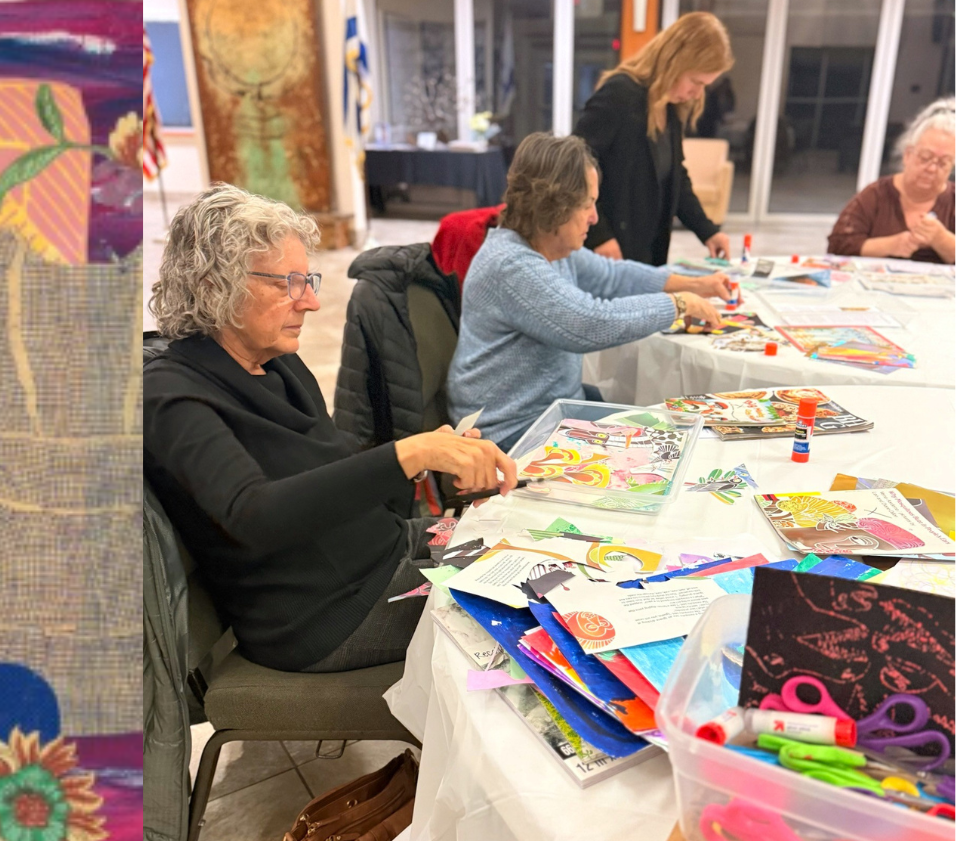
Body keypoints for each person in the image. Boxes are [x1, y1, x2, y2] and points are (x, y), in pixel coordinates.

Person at [144, 184, 517, 674]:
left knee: (525, 539)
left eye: (308, 281)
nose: (311, 302)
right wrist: (409, 454)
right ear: (216, 287)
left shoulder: (275, 362)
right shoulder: (170, 394)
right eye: (288, 283)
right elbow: (253, 516)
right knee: (533, 597)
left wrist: (436, 453)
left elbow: (329, 471)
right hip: (326, 616)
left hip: (381, 555)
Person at [446, 132, 726, 451]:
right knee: (665, 447)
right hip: (509, 432)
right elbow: (589, 323)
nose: (594, 217)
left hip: (549, 411)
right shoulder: (511, 265)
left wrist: (694, 284)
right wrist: (677, 305)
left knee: (671, 434)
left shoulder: (549, 246)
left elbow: (614, 276)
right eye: (587, 204)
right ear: (554, 206)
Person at [573, 11, 735, 265]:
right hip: (607, 253)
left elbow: (676, 178)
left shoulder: (670, 108)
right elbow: (573, 167)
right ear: (674, 62)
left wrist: (708, 231)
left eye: (705, 85)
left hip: (647, 253)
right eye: (695, 81)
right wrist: (598, 236)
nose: (697, 94)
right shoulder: (620, 94)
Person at [828, 98, 955, 264]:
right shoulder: (876, 194)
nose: (932, 168)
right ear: (907, 155)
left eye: (943, 163)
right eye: (925, 158)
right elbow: (837, 246)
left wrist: (941, 239)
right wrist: (891, 245)